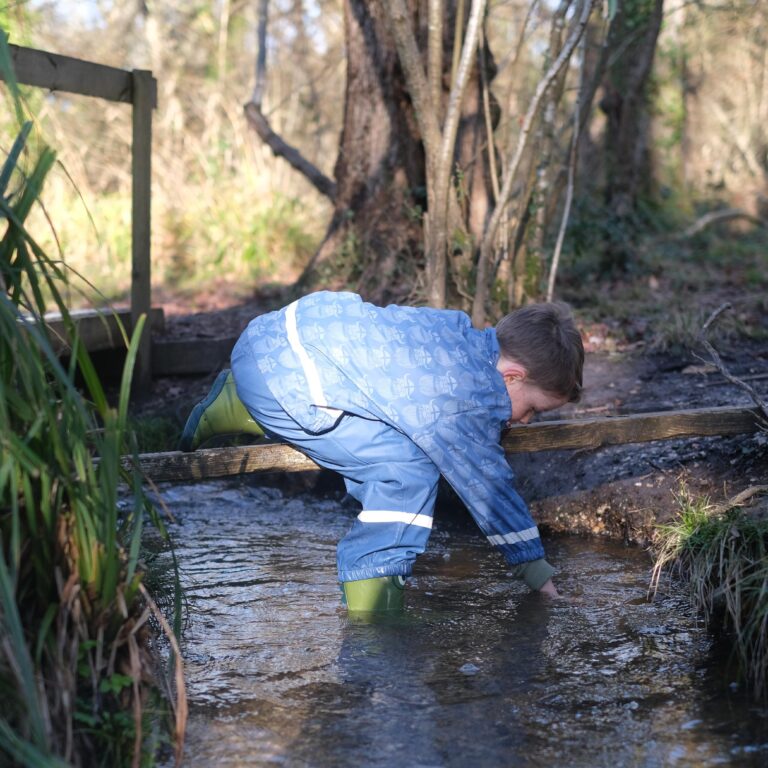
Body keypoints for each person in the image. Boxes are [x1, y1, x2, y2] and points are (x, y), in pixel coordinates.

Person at [180, 291, 583, 612]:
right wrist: (537, 574)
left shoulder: (456, 334)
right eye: (532, 409)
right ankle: (372, 599)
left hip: (269, 338)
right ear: (512, 377)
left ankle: (232, 402)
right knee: (405, 471)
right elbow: (490, 489)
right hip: (283, 385)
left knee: (397, 431)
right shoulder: (470, 400)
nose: (528, 421)